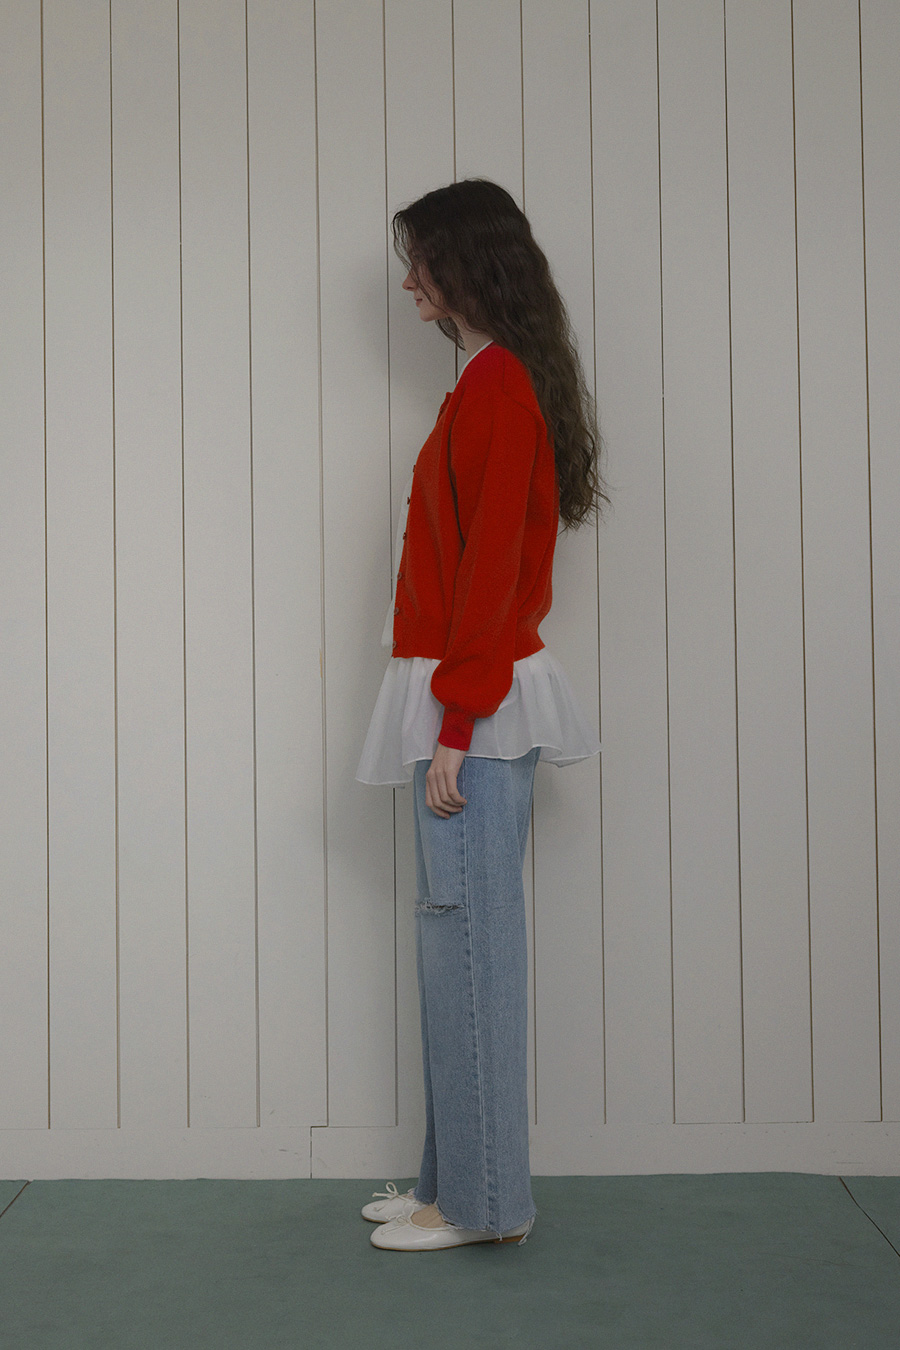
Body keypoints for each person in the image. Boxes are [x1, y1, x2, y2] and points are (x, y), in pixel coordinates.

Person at [355, 178, 607, 1252]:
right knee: (455, 944)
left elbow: (493, 569)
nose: (409, 281)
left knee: (468, 949)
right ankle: (449, 1179)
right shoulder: (492, 379)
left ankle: (482, 1202)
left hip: (474, 712)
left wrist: (456, 724)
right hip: (464, 700)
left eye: (421, 261)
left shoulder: (498, 386)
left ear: (466, 265)